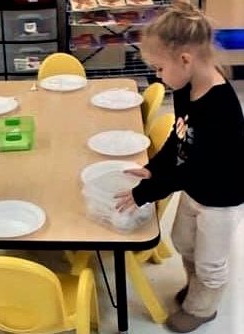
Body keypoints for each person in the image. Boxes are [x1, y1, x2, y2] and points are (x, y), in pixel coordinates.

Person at [115, 2, 244, 333]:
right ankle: (198, 286)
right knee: (182, 240)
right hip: (196, 185)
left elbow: (196, 168)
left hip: (221, 196)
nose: (156, 75)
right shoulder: (187, 86)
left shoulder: (220, 108)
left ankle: (204, 308)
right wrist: (154, 169)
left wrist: (146, 192)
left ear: (184, 60)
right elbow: (180, 135)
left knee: (211, 262)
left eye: (159, 68)